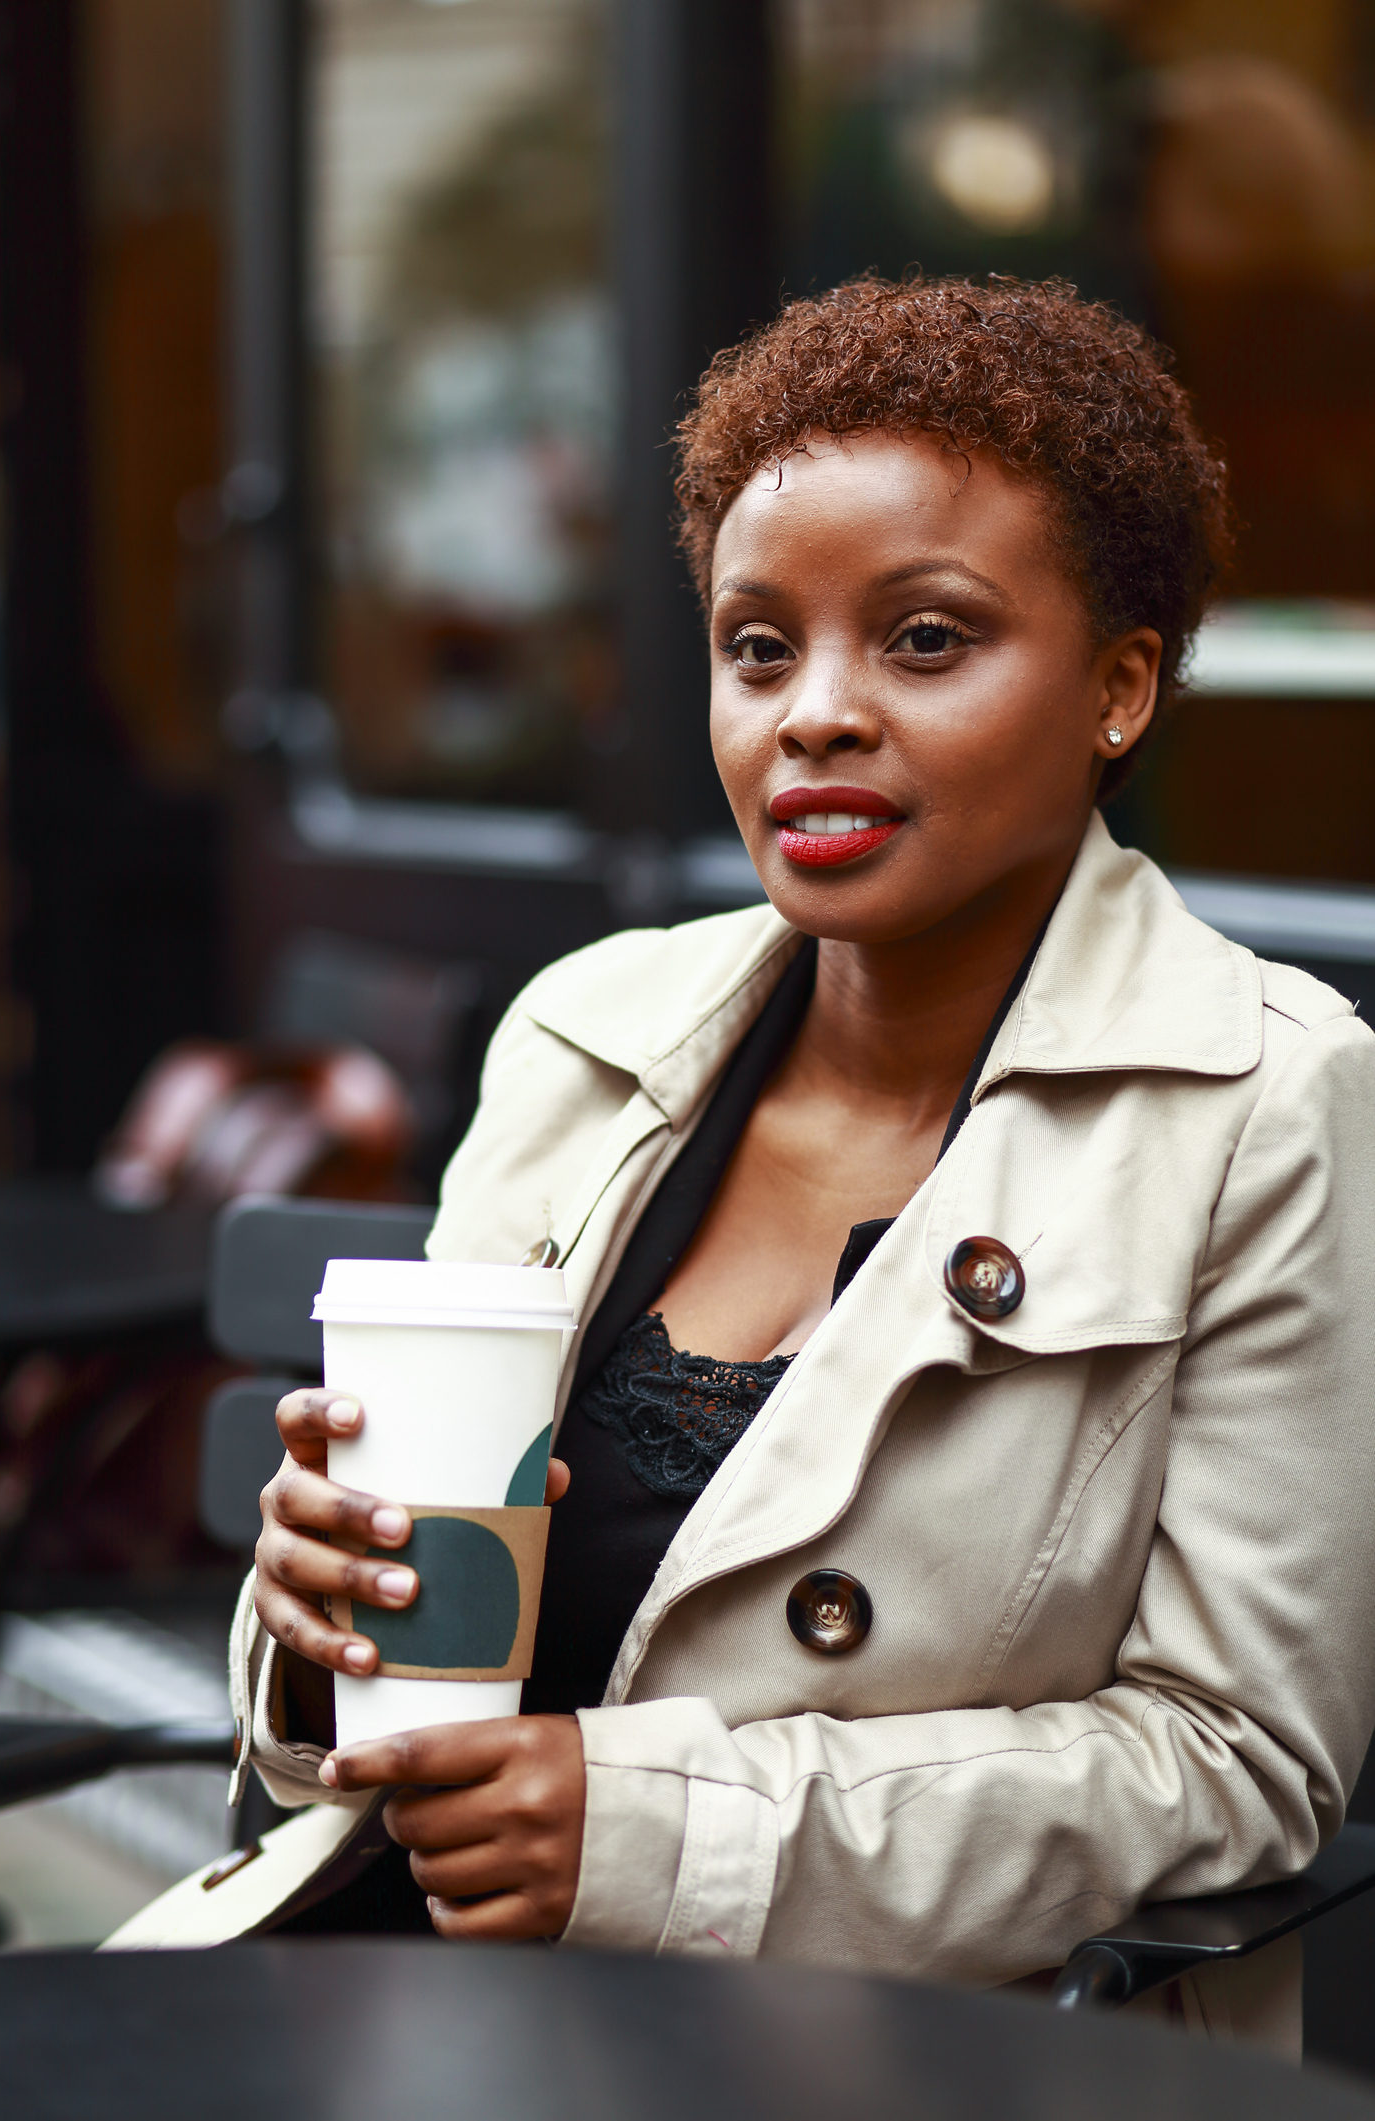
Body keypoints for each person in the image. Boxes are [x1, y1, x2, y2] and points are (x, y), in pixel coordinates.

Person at [226, 277, 1375, 2040]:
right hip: (415, 2004)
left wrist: (654, 1837)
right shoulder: (585, 1031)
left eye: (924, 639)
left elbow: (1233, 1762)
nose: (811, 715)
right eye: (758, 647)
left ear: (1119, 687)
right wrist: (314, 1612)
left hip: (903, 2053)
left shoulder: (1263, 1103)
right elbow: (382, 1668)